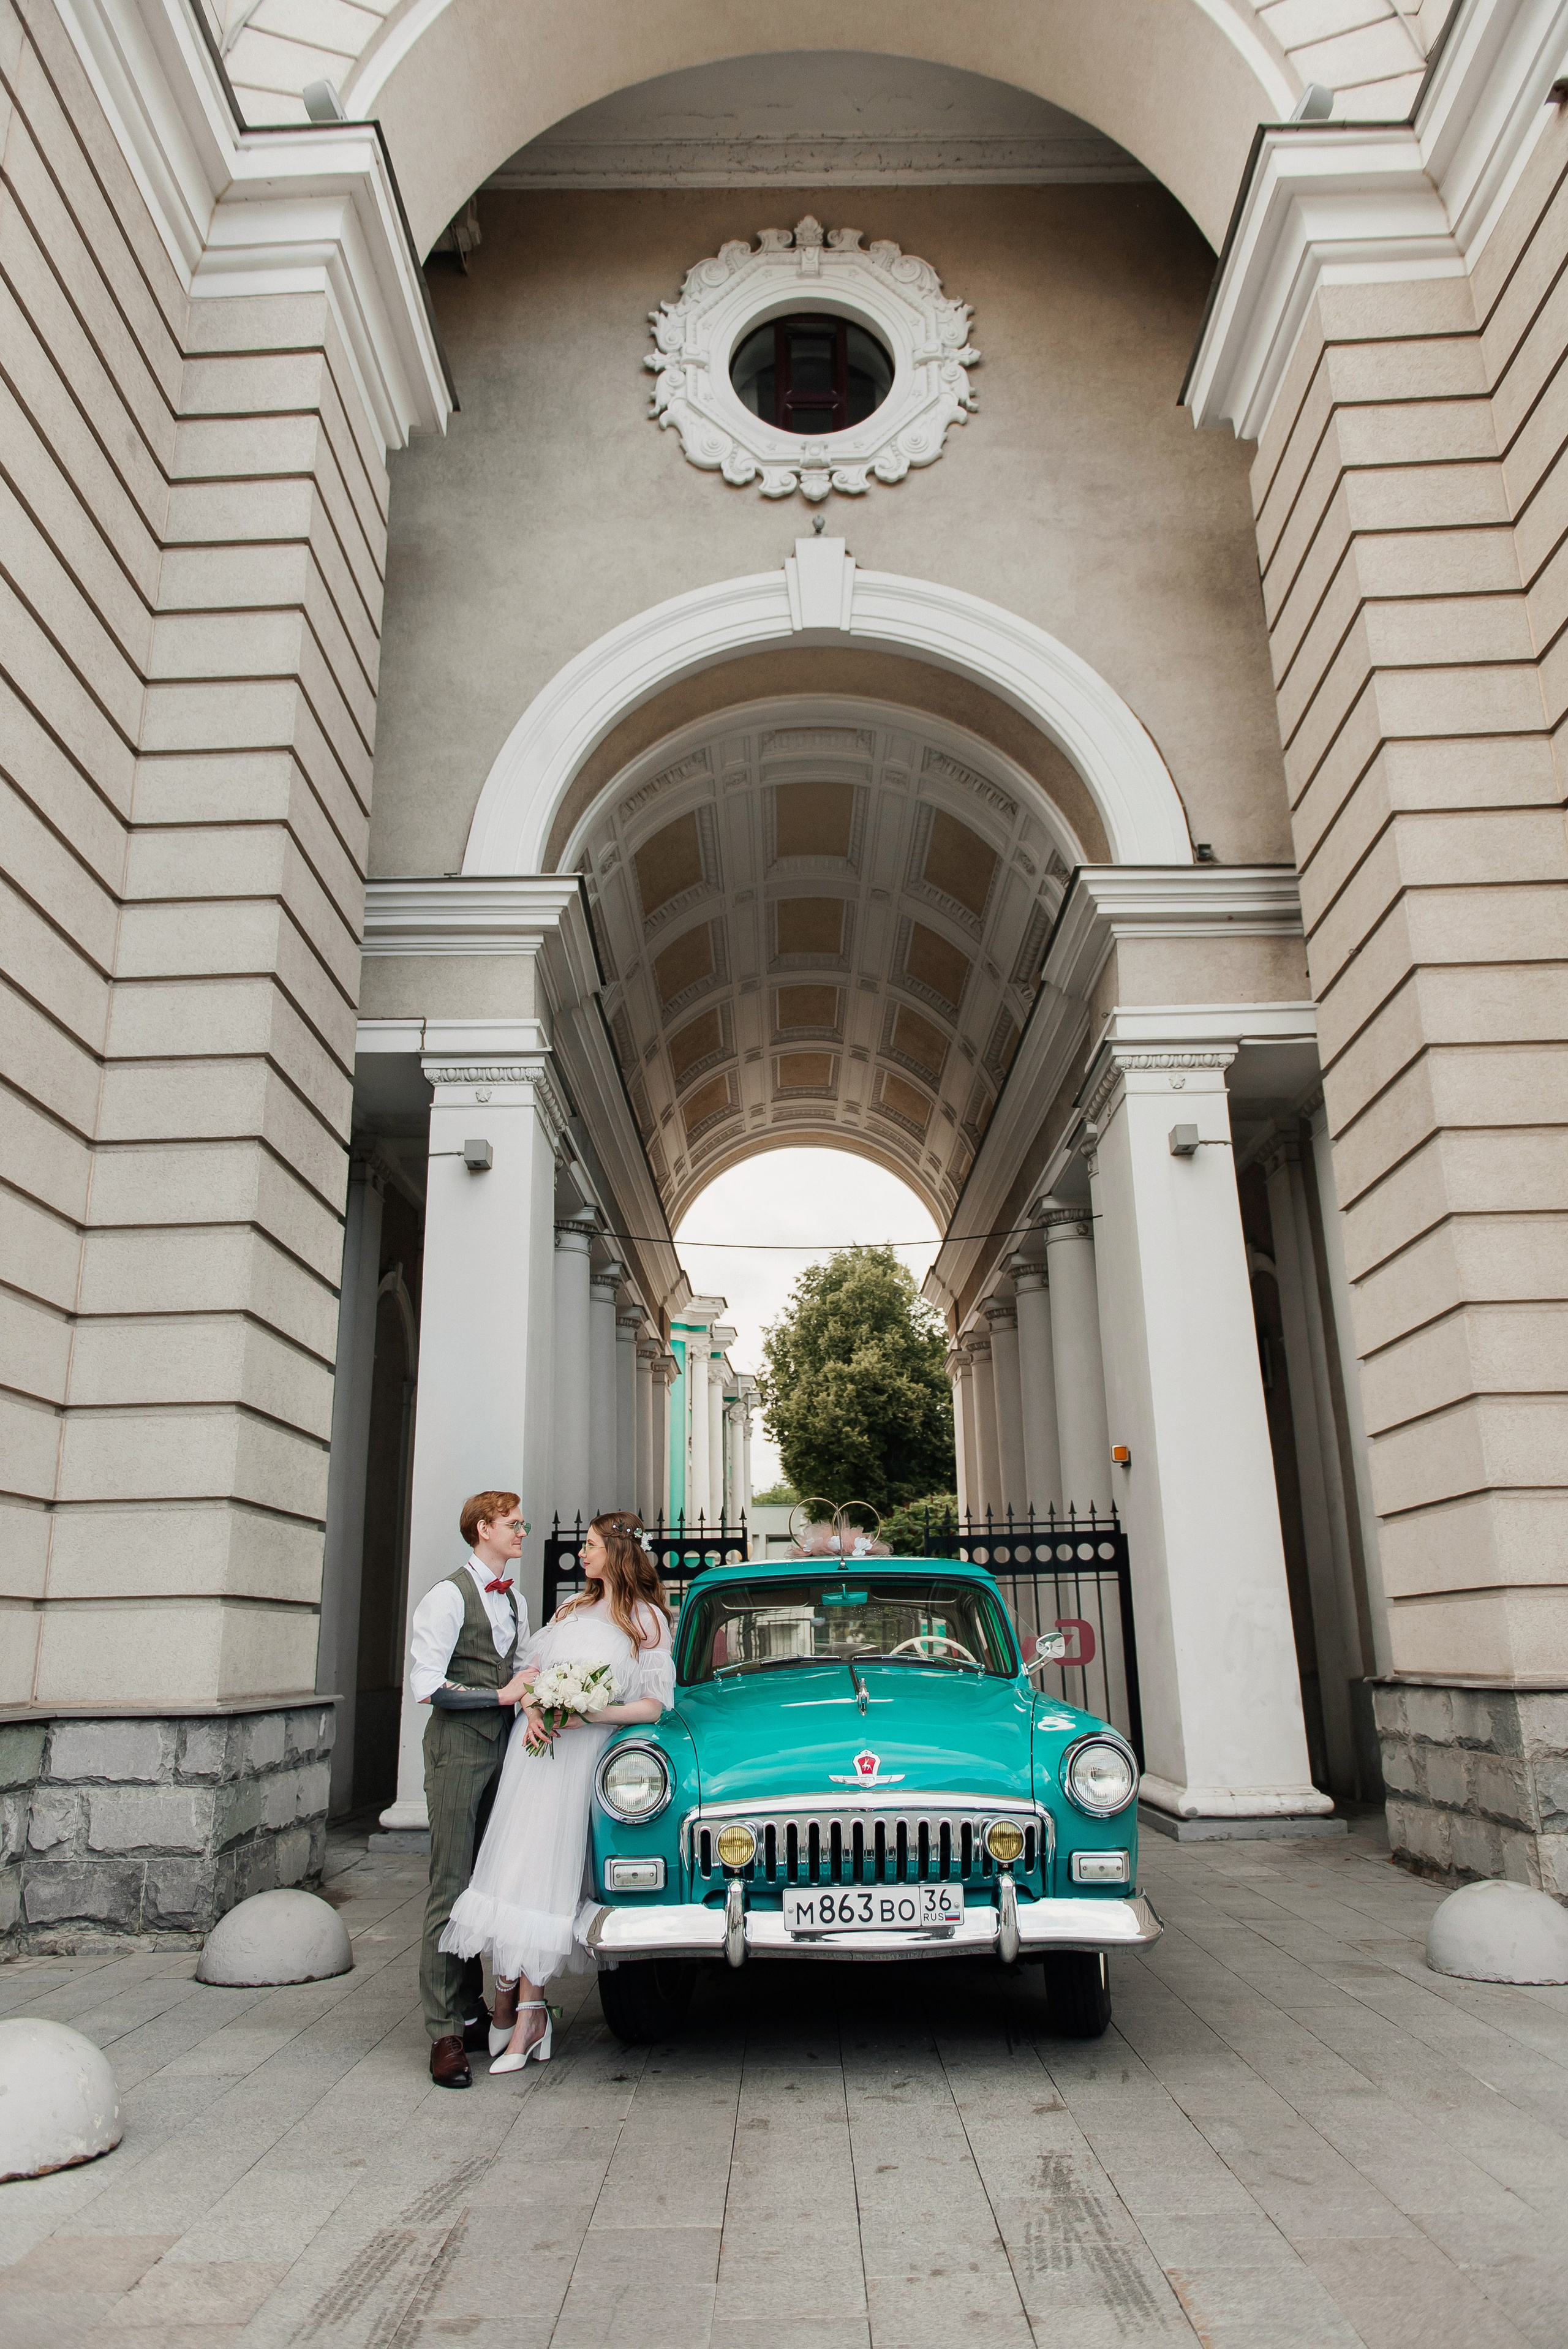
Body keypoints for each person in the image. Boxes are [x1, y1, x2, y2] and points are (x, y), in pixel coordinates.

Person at [440, 1511, 674, 2072]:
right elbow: (529, 1674)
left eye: (590, 1545)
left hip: (579, 1755)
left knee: (546, 1875)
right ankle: (506, 2002)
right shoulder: (569, 1608)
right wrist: (533, 1707)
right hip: (534, 1750)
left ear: (618, 1552)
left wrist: (590, 1712)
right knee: (511, 1866)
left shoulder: (647, 1619)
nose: (582, 1554)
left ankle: (529, 2014)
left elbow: (654, 1705)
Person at [408, 1488, 529, 2090]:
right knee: (450, 1885)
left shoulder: (516, 1599)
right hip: (457, 1750)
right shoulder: (447, 1596)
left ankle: (473, 2008)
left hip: (503, 1750)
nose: (521, 1532)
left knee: (486, 1885)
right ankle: (445, 2033)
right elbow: (427, 1685)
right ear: (483, 1528)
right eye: (513, 1523)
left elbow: (519, 1668)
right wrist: (501, 1695)